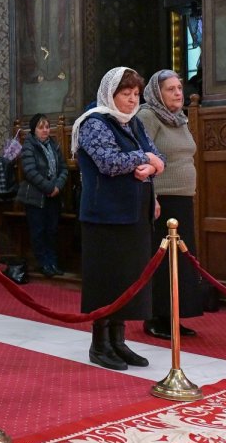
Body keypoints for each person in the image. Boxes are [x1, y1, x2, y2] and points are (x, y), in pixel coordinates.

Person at [71, 67, 165, 371]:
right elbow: (109, 162)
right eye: (126, 94)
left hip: (135, 214)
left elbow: (159, 156)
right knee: (106, 281)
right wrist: (144, 160)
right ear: (110, 95)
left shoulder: (134, 123)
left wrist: (151, 166)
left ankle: (119, 342)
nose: (132, 100)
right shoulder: (93, 123)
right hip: (105, 216)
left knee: (128, 279)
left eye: (136, 94)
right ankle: (100, 345)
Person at [136, 70, 202, 339]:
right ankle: (154, 317)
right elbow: (141, 156)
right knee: (161, 261)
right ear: (156, 92)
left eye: (179, 88)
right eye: (171, 89)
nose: (178, 93)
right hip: (161, 200)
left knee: (181, 262)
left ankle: (174, 316)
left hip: (183, 199)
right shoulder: (147, 116)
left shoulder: (180, 118)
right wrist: (150, 197)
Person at [15, 113, 68, 277]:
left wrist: (58, 186)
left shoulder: (54, 145)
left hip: (54, 196)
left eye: (47, 127)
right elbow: (30, 171)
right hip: (36, 197)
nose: (45, 130)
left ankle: (53, 263)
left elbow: (64, 168)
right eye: (41, 127)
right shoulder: (29, 146)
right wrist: (49, 188)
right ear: (34, 130)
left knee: (52, 230)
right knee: (39, 231)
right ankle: (43, 263)